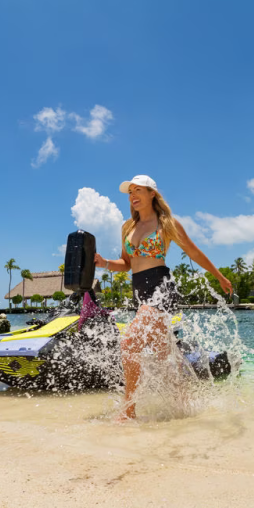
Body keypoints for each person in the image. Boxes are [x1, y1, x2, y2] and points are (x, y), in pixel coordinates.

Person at [94, 175, 233, 421]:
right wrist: (104, 262)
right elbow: (126, 264)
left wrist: (219, 276)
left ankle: (128, 411)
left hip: (161, 288)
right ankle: (185, 407)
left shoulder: (166, 223)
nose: (133, 195)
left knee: (129, 344)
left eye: (138, 190)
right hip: (140, 292)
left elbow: (193, 252)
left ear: (152, 194)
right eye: (130, 192)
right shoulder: (128, 227)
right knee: (164, 356)